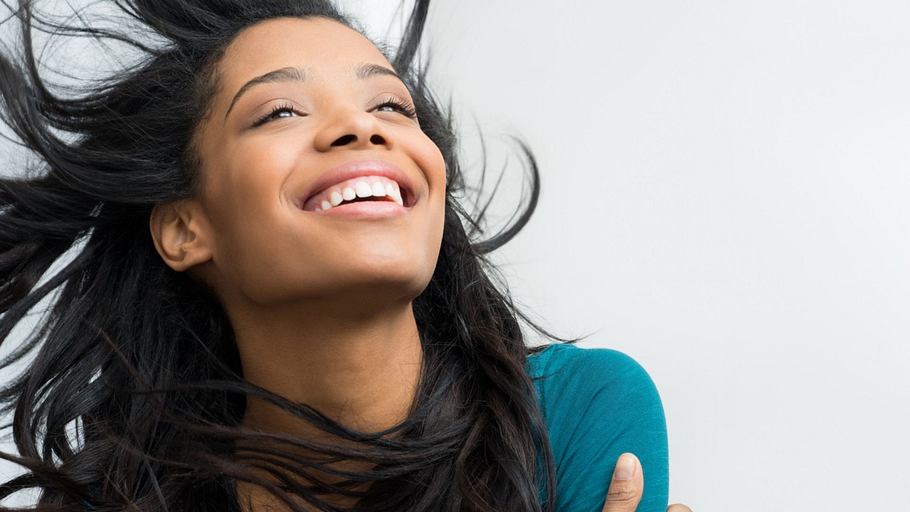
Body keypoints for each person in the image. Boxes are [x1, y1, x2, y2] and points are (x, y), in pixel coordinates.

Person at [0, 0, 692, 510]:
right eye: (280, 112)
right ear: (186, 228)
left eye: (391, 105)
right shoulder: (118, 500)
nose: (360, 125)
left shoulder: (577, 411)